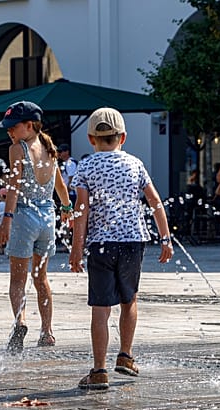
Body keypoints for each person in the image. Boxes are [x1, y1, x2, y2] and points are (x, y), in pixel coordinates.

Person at [69, 107, 173, 390]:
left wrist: (76, 249)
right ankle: (125, 356)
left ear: (91, 138)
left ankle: (99, 370)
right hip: (133, 242)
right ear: (123, 137)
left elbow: (81, 208)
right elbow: (155, 201)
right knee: (129, 300)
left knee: (101, 308)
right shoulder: (135, 164)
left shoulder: (86, 166)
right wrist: (166, 238)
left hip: (101, 244)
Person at [0, 101, 73, 352]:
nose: (9, 133)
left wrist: (6, 219)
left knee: (18, 280)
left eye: (12, 127)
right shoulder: (49, 149)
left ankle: (21, 322)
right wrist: (67, 209)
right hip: (47, 217)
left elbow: (15, 186)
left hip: (24, 216)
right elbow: (60, 186)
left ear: (29, 126)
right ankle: (47, 332)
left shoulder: (18, 149)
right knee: (41, 278)